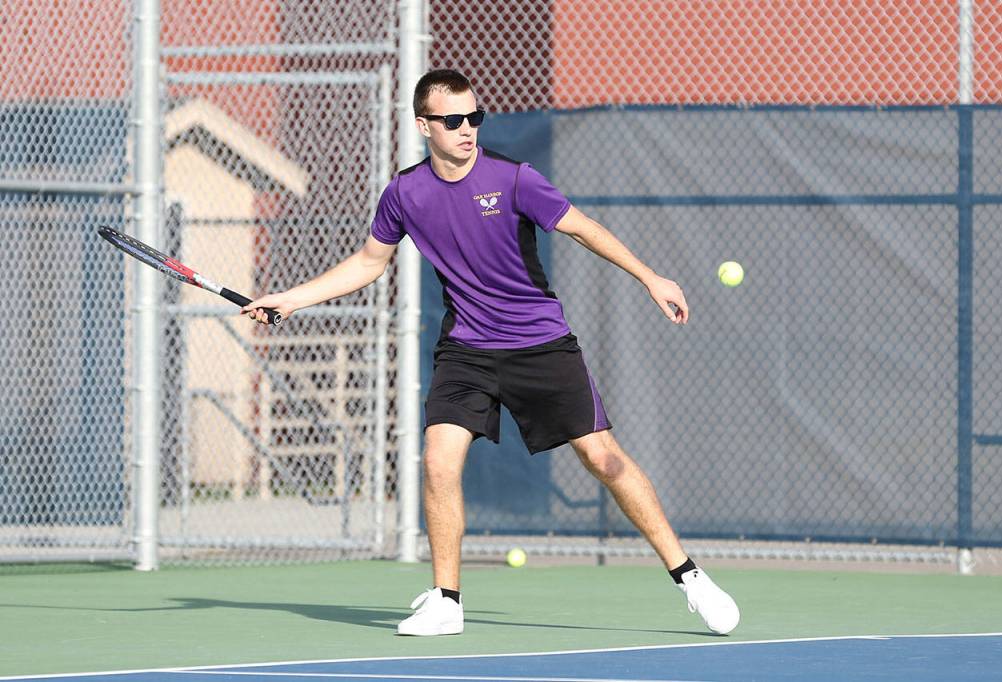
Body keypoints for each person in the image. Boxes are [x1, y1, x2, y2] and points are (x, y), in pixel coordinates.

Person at [242, 69, 740, 637]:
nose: (467, 129)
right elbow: (367, 263)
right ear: (425, 125)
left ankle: (691, 578)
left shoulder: (513, 179)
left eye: (474, 117)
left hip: (540, 344)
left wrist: (651, 278)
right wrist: (290, 300)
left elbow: (583, 227)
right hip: (467, 350)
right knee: (438, 459)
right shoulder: (405, 192)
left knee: (602, 458)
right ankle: (447, 601)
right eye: (453, 120)